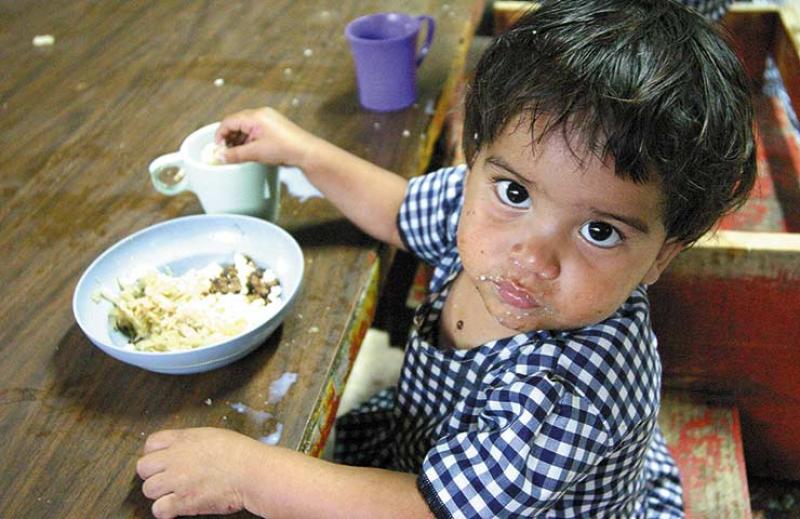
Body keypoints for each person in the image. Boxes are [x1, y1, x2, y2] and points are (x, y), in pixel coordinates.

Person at [135, 0, 756, 516]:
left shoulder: (572, 388)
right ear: (474, 156)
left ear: (661, 256)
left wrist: (249, 474)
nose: (532, 256)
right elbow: (399, 208)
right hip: (428, 446)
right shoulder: (482, 202)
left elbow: (429, 510)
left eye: (599, 231)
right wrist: (302, 151)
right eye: (515, 193)